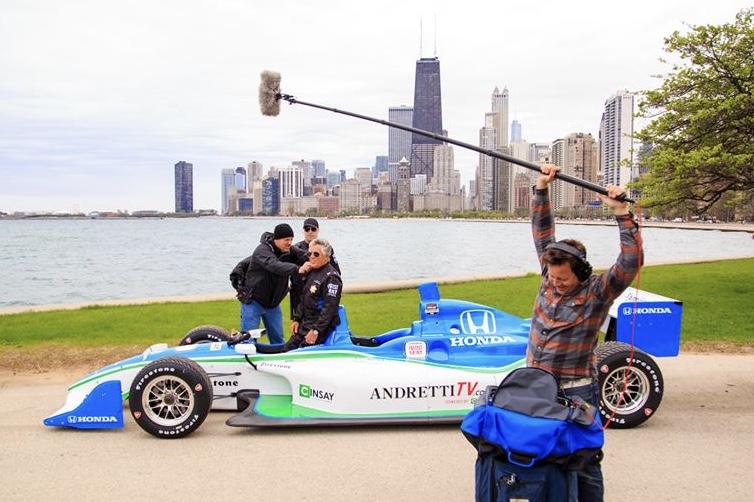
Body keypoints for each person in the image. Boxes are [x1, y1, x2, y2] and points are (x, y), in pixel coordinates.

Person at [527, 164, 643, 502]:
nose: (556, 282)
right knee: (541, 453)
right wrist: (541, 187)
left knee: (585, 460)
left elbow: (631, 261)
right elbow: (541, 231)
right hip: (536, 384)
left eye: (563, 278)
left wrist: (621, 212)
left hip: (577, 389)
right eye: (552, 276)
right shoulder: (548, 273)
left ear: (582, 272)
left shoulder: (599, 290)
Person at [230, 223, 310, 345]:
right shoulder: (262, 250)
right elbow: (274, 265)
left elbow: (305, 255)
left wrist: (317, 257)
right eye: (286, 240)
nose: (289, 243)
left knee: (278, 340)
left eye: (291, 239)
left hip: (273, 304)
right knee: (248, 340)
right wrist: (297, 269)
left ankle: (279, 362)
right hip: (253, 301)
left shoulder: (289, 250)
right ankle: (245, 362)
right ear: (276, 239)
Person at [283, 237, 342, 351]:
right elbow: (303, 298)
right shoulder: (312, 271)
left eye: (316, 254)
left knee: (298, 354)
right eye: (309, 254)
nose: (311, 257)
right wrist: (297, 319)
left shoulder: (332, 278)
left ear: (326, 257)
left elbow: (329, 309)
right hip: (305, 325)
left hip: (319, 328)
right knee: (286, 349)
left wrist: (316, 331)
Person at [289, 218, 341, 318]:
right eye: (307, 229)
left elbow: (336, 271)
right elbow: (289, 269)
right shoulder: (296, 249)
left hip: (318, 293)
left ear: (318, 230)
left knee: (320, 321)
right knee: (298, 324)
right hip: (299, 293)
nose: (310, 232)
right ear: (303, 231)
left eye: (313, 229)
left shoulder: (326, 248)